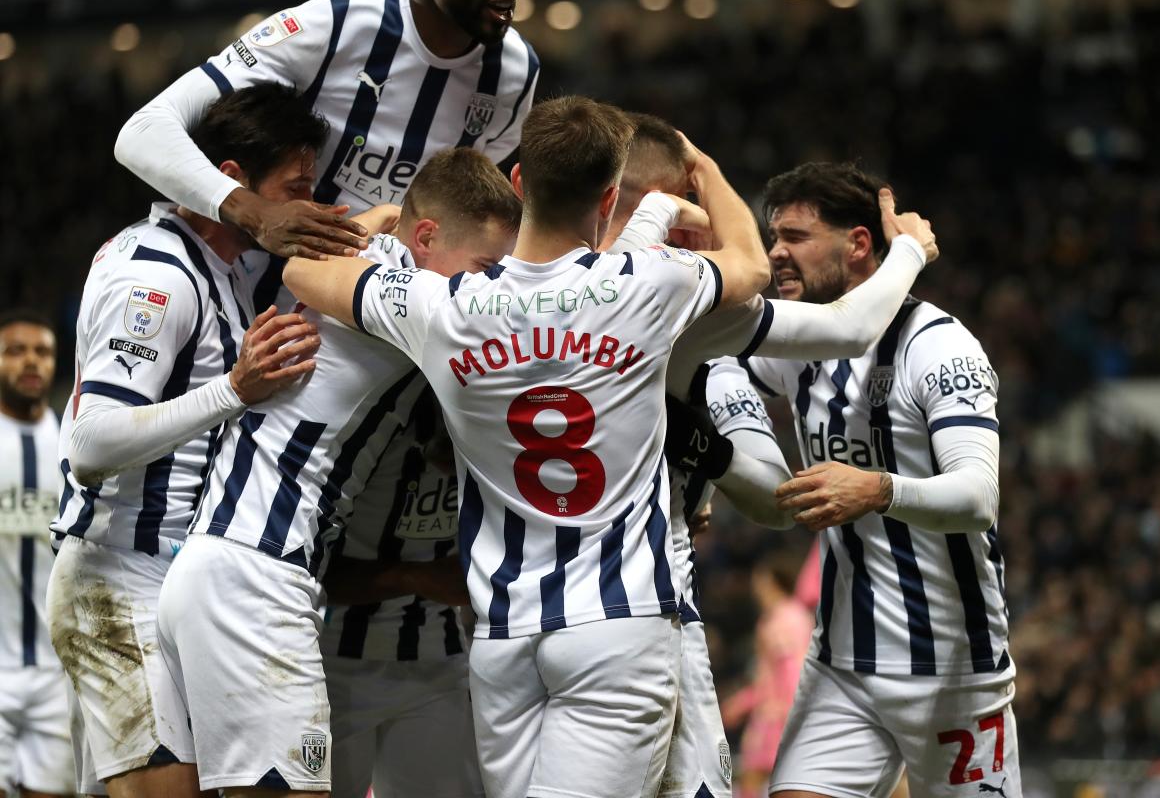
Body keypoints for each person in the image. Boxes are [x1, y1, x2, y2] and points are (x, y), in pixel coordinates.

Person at [282, 95, 772, 798]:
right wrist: (704, 168)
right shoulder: (647, 283)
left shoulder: (440, 305)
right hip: (617, 626)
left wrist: (385, 218)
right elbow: (749, 264)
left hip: (503, 634)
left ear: (517, 184)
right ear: (608, 198)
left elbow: (303, 270)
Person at [156, 149, 519, 798]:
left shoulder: (364, 266)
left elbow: (303, 265)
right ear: (429, 239)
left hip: (237, 567)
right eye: (487, 267)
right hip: (255, 574)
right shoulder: (414, 302)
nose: (491, 286)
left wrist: (379, 217)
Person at [601, 114, 939, 798]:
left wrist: (688, 456)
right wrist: (911, 252)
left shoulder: (488, 293)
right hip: (639, 615)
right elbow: (840, 327)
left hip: (497, 622)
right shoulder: (683, 301)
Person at [46, 85, 328, 798]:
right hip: (117, 579)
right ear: (232, 182)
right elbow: (91, 444)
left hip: (169, 583)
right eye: (296, 188)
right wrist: (233, 389)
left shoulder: (225, 268)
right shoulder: (157, 275)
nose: (309, 204)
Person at [115, 0, 538, 307]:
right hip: (255, 310)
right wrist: (256, 213)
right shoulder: (331, 27)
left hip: (385, 330)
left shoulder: (516, 75)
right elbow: (143, 130)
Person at [738, 163, 1018, 798]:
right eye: (772, 234)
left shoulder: (940, 347)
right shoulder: (798, 345)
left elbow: (978, 498)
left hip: (952, 670)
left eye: (796, 236)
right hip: (841, 667)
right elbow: (719, 372)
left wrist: (878, 489)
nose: (777, 251)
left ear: (859, 243)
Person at [0, 311, 73, 798]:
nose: (30, 361)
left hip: (55, 671)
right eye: (14, 350)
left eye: (43, 352)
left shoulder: (77, 447)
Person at [721, 555, 812, 798]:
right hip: (778, 711)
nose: (756, 589)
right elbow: (767, 677)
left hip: (777, 716)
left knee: (756, 780)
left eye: (760, 582)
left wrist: (788, 712)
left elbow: (791, 669)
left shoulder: (783, 620)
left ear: (773, 583)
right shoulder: (792, 615)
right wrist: (741, 704)